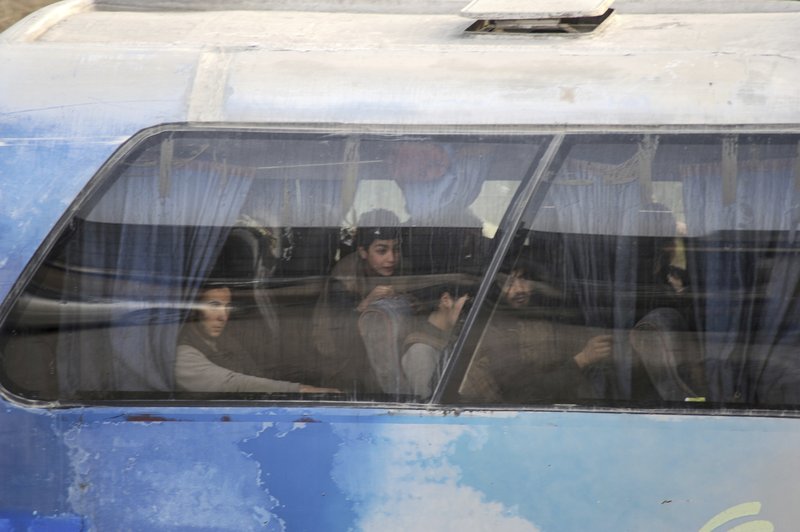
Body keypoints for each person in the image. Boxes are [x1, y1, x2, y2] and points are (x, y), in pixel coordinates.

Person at [465, 264, 613, 403]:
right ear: (495, 287)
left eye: (524, 279)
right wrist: (582, 360)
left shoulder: (542, 317)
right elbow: (525, 394)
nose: (519, 289)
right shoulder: (494, 332)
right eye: (508, 283)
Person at [176, 283, 337, 394]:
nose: (223, 316)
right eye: (214, 306)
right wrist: (300, 390)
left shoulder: (224, 340)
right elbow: (233, 384)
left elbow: (255, 374)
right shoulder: (183, 354)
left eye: (227, 307)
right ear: (193, 309)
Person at [312, 209, 403, 393]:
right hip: (342, 364)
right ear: (362, 251)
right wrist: (366, 303)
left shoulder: (401, 268)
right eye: (381, 250)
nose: (391, 258)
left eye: (396, 249)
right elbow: (339, 331)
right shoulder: (344, 277)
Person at [400, 285, 471, 400]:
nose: (471, 312)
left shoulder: (450, 336)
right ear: (446, 300)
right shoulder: (421, 349)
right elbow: (428, 400)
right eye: (468, 305)